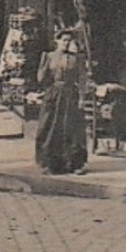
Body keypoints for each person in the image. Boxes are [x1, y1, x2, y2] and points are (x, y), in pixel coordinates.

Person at [35, 29, 89, 174]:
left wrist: (82, 97)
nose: (66, 43)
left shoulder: (76, 59)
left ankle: (74, 164)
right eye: (63, 40)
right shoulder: (49, 56)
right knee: (50, 128)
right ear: (57, 41)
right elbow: (41, 78)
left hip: (71, 95)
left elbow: (82, 79)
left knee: (72, 129)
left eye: (68, 40)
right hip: (53, 95)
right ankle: (50, 164)